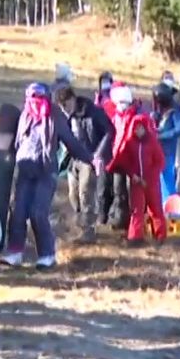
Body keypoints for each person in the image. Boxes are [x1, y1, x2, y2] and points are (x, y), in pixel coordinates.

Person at [0, 83, 93, 269]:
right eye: (32, 98)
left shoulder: (54, 116)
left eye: (39, 98)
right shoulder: (24, 116)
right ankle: (15, 251)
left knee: (37, 213)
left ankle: (47, 254)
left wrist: (89, 159)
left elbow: (70, 141)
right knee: (18, 212)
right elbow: (13, 140)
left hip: (45, 171)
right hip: (25, 169)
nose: (35, 102)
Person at [57, 84, 114, 243]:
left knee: (85, 193)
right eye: (61, 107)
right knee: (73, 195)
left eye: (66, 105)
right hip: (73, 159)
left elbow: (110, 131)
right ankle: (80, 222)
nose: (64, 110)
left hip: (90, 158)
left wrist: (99, 154)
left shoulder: (94, 113)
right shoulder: (64, 117)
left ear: (73, 99)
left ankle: (88, 231)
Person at [108, 114, 167, 246]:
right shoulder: (130, 143)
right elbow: (125, 160)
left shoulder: (152, 142)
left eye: (141, 128)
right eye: (136, 128)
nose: (138, 131)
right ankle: (135, 237)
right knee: (136, 209)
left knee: (155, 208)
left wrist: (149, 178)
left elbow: (160, 162)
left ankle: (160, 235)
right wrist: (132, 174)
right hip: (136, 182)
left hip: (151, 182)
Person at [102, 83, 138, 230]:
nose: (122, 106)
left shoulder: (134, 118)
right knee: (110, 188)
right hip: (113, 157)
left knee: (122, 190)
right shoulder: (111, 116)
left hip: (128, 158)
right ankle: (113, 217)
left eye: (125, 103)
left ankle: (123, 220)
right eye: (120, 103)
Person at [153, 84, 180, 202]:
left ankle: (171, 205)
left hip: (168, 149)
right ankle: (163, 203)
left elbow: (179, 129)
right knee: (160, 178)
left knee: (168, 178)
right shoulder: (159, 109)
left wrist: (162, 136)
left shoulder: (175, 110)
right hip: (157, 149)